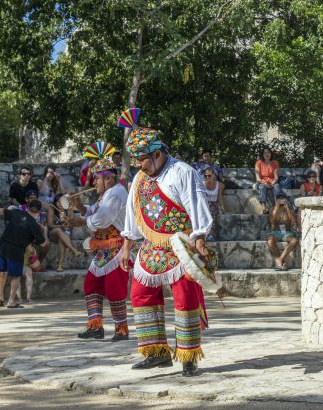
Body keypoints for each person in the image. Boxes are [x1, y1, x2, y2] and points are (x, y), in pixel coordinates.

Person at [118, 108, 213, 375]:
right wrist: (127, 245)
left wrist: (200, 240)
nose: (140, 166)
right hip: (151, 247)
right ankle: (156, 352)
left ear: (157, 154)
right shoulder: (139, 179)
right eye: (137, 161)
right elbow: (132, 213)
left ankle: (188, 356)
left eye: (143, 160)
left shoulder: (182, 172)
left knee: (185, 298)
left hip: (181, 246)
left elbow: (197, 206)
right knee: (140, 294)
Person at [64, 156, 131, 342]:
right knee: (92, 284)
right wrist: (79, 206)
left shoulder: (116, 193)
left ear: (108, 178)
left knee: (114, 288)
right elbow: (94, 210)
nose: (94, 182)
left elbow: (102, 219)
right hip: (104, 249)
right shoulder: (107, 195)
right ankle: (95, 326)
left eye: (97, 178)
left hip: (118, 247)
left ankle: (122, 329)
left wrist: (79, 221)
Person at [0, 200, 47, 308]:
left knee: (2, 272)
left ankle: (0, 297)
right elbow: (43, 244)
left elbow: (2, 211)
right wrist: (44, 230)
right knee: (15, 276)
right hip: (16, 250)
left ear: (27, 208)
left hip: (3, 245)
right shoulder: (34, 225)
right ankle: (11, 301)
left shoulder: (17, 212)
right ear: (39, 212)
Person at [46, 194, 81, 272]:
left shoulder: (68, 209)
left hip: (65, 233)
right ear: (55, 202)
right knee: (58, 230)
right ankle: (73, 250)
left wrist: (66, 220)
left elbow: (72, 222)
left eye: (62, 201)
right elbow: (49, 225)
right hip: (53, 233)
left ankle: (60, 265)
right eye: (58, 202)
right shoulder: (52, 209)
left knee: (61, 240)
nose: (60, 204)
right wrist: (61, 225)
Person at [267, 192, 298, 270]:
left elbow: (293, 220)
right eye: (279, 198)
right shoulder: (273, 209)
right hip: (275, 232)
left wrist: (287, 208)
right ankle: (280, 261)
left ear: (286, 200)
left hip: (286, 233)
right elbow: (271, 220)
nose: (281, 200)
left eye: (282, 198)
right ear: (276, 200)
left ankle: (280, 259)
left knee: (294, 241)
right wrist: (277, 207)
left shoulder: (289, 209)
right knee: (270, 242)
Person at [254, 148, 282, 213]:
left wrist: (273, 183)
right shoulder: (259, 163)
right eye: (265, 153)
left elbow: (276, 177)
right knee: (262, 187)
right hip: (262, 182)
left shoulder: (275, 163)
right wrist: (264, 183)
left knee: (277, 186)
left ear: (271, 154)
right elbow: (258, 178)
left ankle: (277, 207)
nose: (267, 154)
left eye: (268, 152)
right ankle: (264, 207)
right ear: (262, 154)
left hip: (272, 182)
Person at [202, 168, 224, 241]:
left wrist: (222, 208)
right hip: (205, 206)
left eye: (209, 175)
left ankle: (210, 235)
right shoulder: (202, 184)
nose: (207, 177)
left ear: (214, 175)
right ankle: (209, 235)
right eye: (206, 176)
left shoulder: (219, 185)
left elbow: (220, 198)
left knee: (213, 208)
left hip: (214, 206)